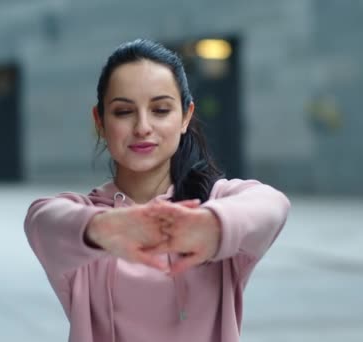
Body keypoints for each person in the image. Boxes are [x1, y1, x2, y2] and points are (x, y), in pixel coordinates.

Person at [24, 38, 290, 342]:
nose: (142, 127)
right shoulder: (83, 219)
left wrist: (213, 226)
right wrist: (102, 229)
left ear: (186, 116)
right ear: (100, 121)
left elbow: (272, 204)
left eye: (161, 109)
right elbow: (42, 220)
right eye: (124, 112)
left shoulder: (212, 203)